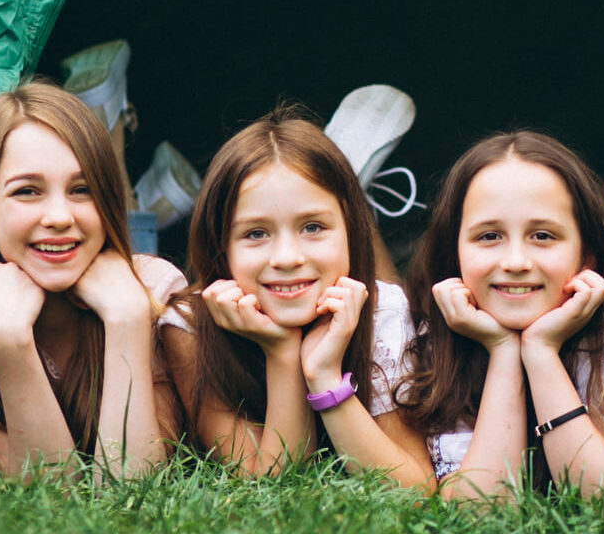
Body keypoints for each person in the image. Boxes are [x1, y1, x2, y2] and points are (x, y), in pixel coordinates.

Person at [0, 81, 184, 479]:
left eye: (82, 190)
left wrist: (127, 318)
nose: (59, 215)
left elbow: (133, 487)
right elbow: (52, 495)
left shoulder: (152, 290)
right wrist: (9, 340)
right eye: (27, 191)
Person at [161, 108, 434, 489]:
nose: (287, 258)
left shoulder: (385, 313)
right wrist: (282, 352)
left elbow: (416, 490)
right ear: (220, 246)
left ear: (351, 231)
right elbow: (271, 485)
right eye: (256, 233)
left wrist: (324, 375)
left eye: (312, 227)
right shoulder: (189, 327)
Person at [396, 131, 604, 498]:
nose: (515, 262)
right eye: (489, 236)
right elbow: (482, 509)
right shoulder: (436, 334)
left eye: (542, 236)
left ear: (587, 254)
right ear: (455, 251)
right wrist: (502, 350)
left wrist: (541, 351)